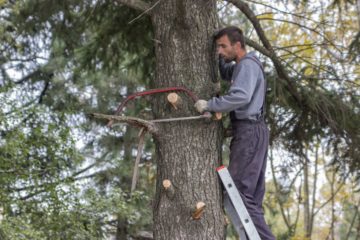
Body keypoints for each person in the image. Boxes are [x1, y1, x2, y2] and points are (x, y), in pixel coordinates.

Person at [194, 26, 275, 240]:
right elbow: (227, 72)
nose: (220, 50)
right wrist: (218, 58)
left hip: (249, 133)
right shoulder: (241, 66)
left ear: (238, 45)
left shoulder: (247, 65)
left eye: (223, 46)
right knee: (249, 200)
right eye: (218, 47)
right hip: (253, 132)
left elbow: (241, 96)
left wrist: (210, 105)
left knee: (239, 192)